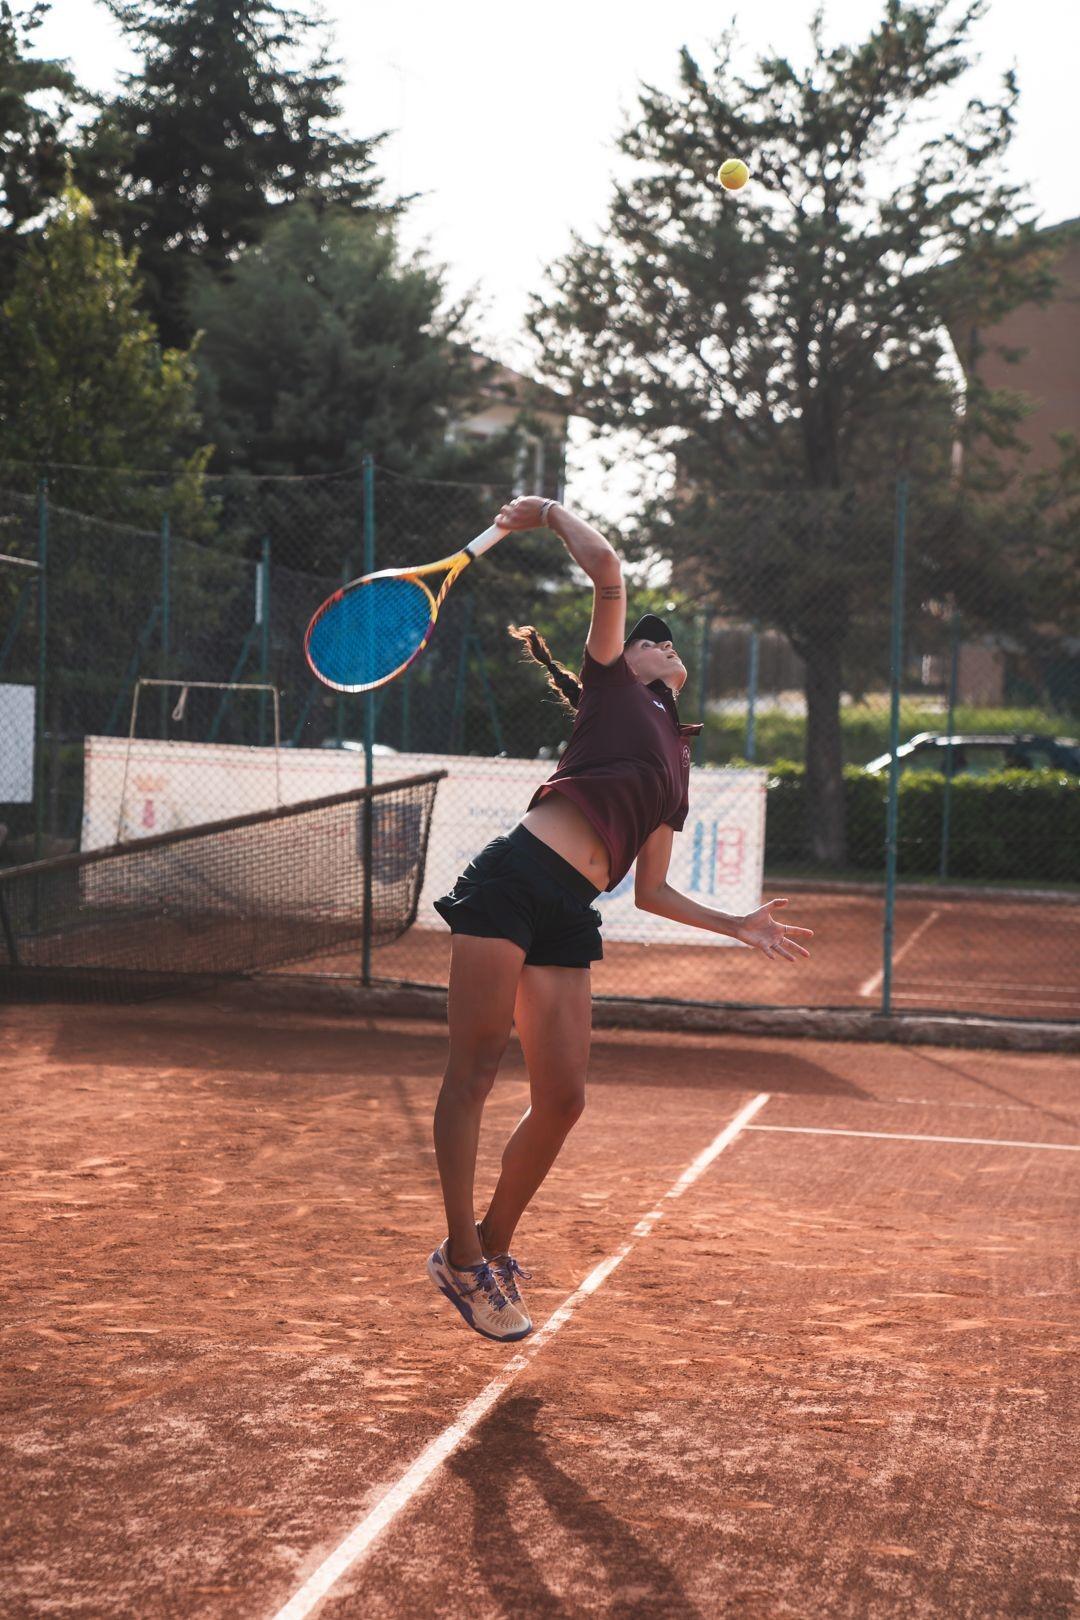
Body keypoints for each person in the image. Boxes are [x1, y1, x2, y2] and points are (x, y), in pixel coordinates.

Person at [426, 496, 813, 1341]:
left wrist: (737, 924)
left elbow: (652, 892)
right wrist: (547, 513)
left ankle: (491, 1245)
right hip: (512, 882)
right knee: (475, 1070)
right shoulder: (608, 689)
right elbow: (607, 570)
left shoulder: (678, 758)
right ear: (622, 658)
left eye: (669, 640)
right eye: (649, 638)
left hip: (569, 910)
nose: (662, 641)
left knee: (563, 1099)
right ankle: (462, 1254)